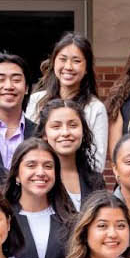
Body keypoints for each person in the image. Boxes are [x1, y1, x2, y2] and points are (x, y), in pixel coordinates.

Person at [27, 32, 110, 171]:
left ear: (86, 69)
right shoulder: (37, 100)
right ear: (54, 63)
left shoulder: (95, 108)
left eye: (76, 61)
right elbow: (28, 146)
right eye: (63, 59)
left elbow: (97, 164)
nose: (68, 67)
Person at [41, 99, 105, 207]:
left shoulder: (95, 181)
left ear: (83, 132)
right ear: (44, 134)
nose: (65, 133)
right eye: (56, 127)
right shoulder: (38, 178)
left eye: (73, 125)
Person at [0, 51, 35, 170]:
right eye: (0, 79)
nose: (9, 86)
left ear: (26, 88)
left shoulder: (40, 133)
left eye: (16, 80)